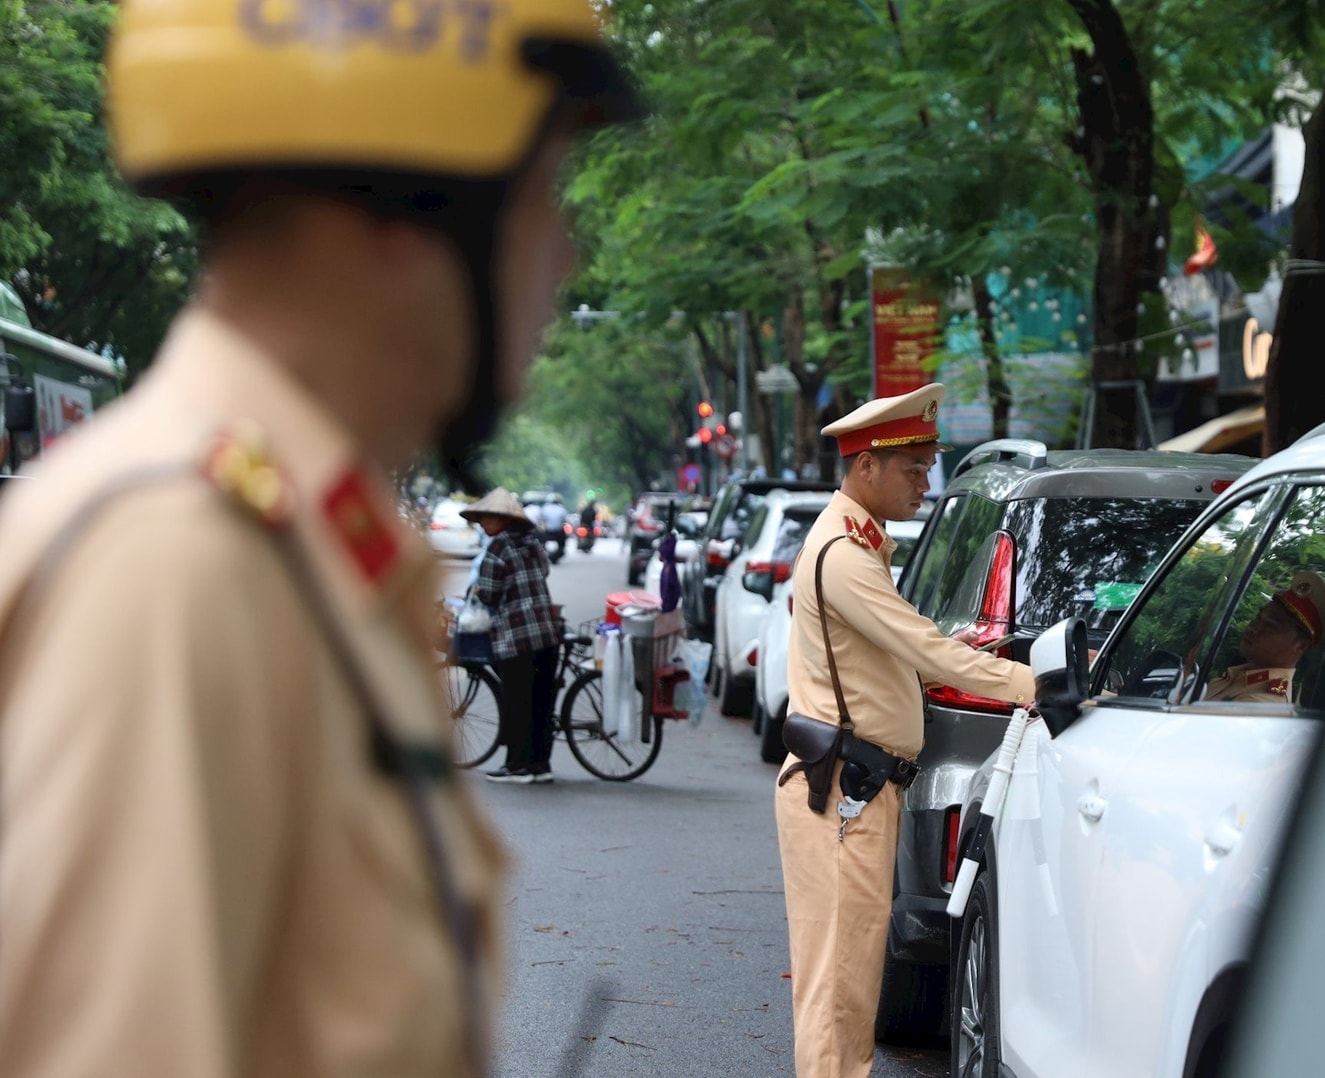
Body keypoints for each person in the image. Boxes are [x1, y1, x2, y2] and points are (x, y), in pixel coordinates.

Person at [0, 0, 639, 1069]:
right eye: (539, 199)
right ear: (401, 212)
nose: (565, 255)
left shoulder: (303, 548)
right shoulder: (180, 565)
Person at [775, 383, 1036, 1078]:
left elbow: (900, 663)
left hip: (858, 786)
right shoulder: (843, 555)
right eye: (913, 469)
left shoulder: (860, 545)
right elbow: (925, 648)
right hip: (843, 791)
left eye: (927, 468)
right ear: (867, 467)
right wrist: (1028, 685)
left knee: (852, 980)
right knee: (839, 986)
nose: (926, 484)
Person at [464, 489, 565, 784]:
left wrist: (480, 592)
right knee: (542, 702)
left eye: (487, 518)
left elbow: (491, 593)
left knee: (518, 701)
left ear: (502, 519)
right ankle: (540, 764)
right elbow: (544, 572)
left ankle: (517, 765)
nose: (483, 523)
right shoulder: (532, 543)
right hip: (547, 633)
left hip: (518, 637)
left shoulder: (497, 548)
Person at [1205, 569, 1325, 703]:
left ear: (1300, 645)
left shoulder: (1262, 702)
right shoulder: (1237, 677)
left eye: (1271, 627)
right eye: (1258, 618)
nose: (1253, 628)